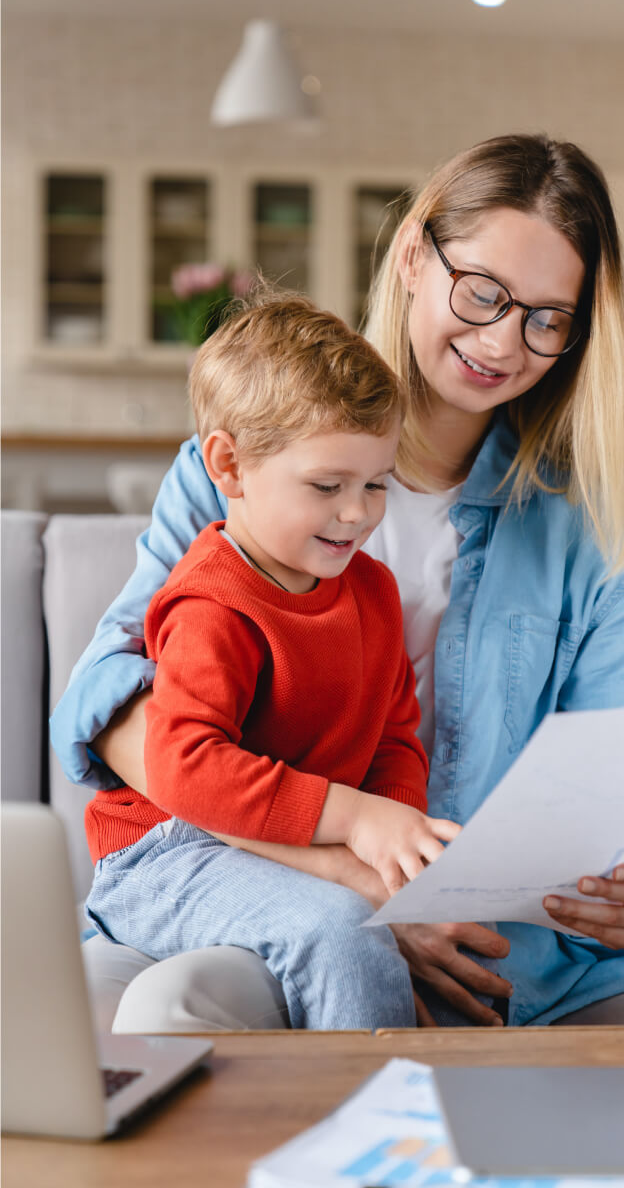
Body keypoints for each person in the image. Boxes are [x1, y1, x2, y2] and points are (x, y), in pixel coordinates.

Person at [52, 133, 624, 1030]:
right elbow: (110, 705)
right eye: (483, 292)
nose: (503, 342)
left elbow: (609, 802)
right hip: (272, 881)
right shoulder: (243, 470)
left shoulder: (599, 532)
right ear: (415, 256)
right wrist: (363, 871)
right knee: (188, 1001)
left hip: (490, 940)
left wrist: (621, 886)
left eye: (546, 318)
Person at [81, 290, 465, 1031]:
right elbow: (188, 766)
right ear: (228, 465)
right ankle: (377, 1130)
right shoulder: (209, 602)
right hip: (163, 854)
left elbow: (392, 736)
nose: (356, 514)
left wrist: (396, 839)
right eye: (327, 486)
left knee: (373, 917)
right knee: (338, 931)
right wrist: (354, 819)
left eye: (375, 485)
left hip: (277, 844)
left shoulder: (373, 592)